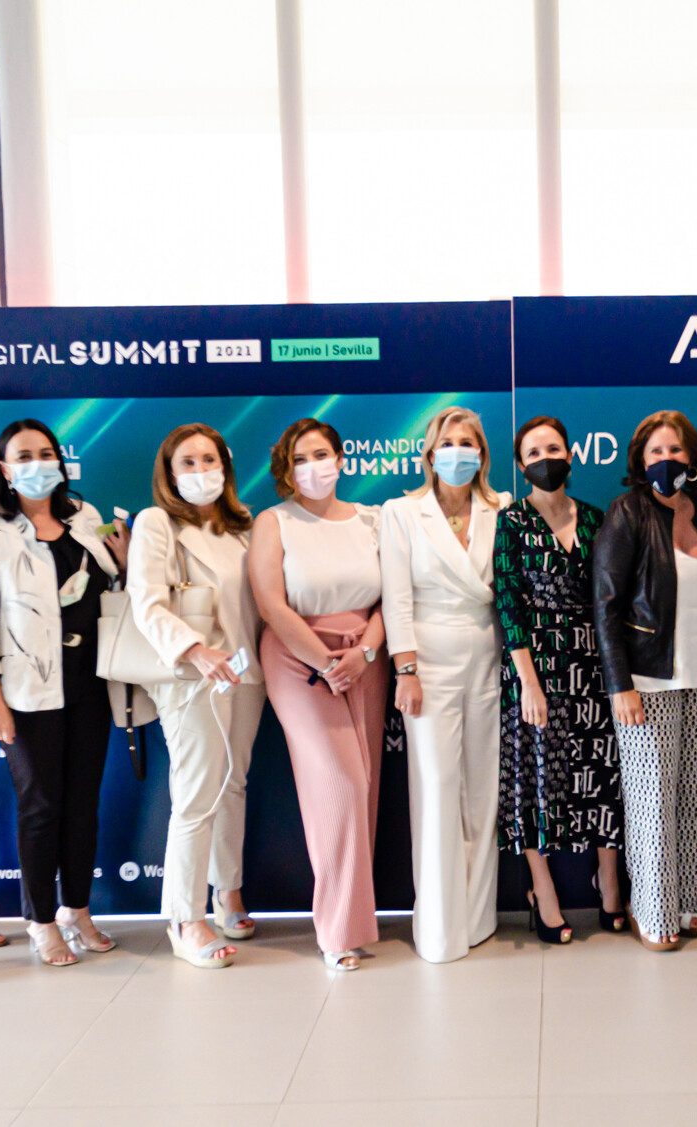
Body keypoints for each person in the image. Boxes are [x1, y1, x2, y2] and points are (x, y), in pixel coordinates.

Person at [0, 419, 128, 966]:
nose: (37, 464)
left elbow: (113, 594)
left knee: (83, 806)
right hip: (27, 694)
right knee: (40, 807)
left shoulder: (87, 521)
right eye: (23, 456)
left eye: (46, 452)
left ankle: (78, 910)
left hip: (91, 685)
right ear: (4, 469)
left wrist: (122, 563)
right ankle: (41, 920)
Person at [250, 418, 388, 971]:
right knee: (341, 781)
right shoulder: (273, 522)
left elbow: (392, 600)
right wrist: (324, 662)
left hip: (364, 659)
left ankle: (354, 921)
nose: (315, 466)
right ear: (288, 467)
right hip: (297, 660)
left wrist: (366, 653)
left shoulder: (372, 521)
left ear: (341, 458)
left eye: (323, 453)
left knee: (367, 785)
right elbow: (271, 603)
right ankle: (336, 932)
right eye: (302, 457)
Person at [129, 424, 266, 969]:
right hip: (191, 679)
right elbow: (147, 603)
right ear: (169, 472)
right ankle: (185, 918)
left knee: (234, 784)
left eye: (209, 459)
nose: (200, 470)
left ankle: (227, 892)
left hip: (246, 674)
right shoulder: (157, 523)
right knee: (196, 797)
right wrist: (194, 651)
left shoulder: (245, 526)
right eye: (187, 462)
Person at [594, 411, 697, 952]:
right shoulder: (628, 510)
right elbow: (605, 603)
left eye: (674, 450)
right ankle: (652, 911)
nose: (665, 460)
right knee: (652, 800)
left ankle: (685, 901)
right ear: (639, 461)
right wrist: (618, 682)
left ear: (692, 459)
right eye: (654, 452)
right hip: (647, 680)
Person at [381, 407, 509, 963]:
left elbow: (509, 591)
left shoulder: (502, 508)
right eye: (448, 442)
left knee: (482, 791)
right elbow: (396, 597)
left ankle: (477, 920)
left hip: (488, 655)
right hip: (427, 661)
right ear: (429, 454)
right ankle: (437, 928)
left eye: (469, 442)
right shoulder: (401, 512)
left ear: (482, 453)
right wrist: (404, 668)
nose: (459, 451)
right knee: (435, 789)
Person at [494, 416, 623, 946]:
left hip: (594, 661)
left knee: (604, 772)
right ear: (521, 465)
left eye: (554, 447)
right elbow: (508, 603)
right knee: (536, 775)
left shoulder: (597, 519)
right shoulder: (513, 521)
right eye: (533, 451)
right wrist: (527, 681)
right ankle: (541, 889)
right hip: (536, 667)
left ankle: (609, 879)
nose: (545, 457)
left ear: (572, 455)